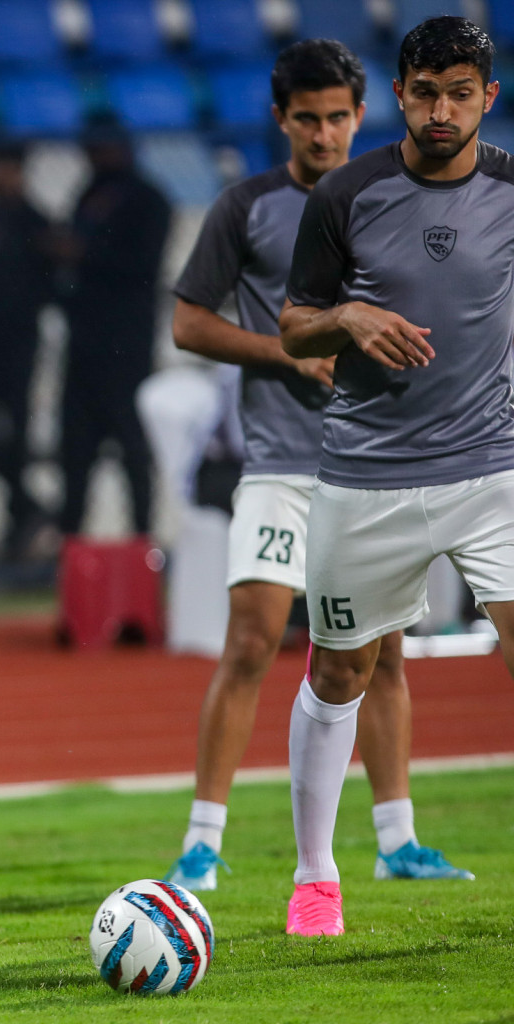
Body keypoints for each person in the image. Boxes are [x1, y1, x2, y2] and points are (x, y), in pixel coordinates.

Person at [164, 40, 470, 892]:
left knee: (384, 656)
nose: (325, 134)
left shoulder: (395, 202)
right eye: (308, 118)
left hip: (375, 465)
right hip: (281, 463)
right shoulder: (247, 207)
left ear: (361, 115)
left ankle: (398, 839)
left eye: (338, 117)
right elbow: (187, 324)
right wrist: (285, 352)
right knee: (253, 641)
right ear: (281, 120)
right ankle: (203, 841)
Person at [280, 16, 512, 935]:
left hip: (493, 471)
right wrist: (350, 319)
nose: (442, 109)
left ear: (487, 98)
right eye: (426, 92)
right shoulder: (346, 194)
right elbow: (296, 323)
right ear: (401, 94)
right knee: (340, 672)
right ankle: (315, 879)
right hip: (367, 476)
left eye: (461, 93)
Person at [57, 115, 170, 537]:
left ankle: (142, 539)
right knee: (75, 449)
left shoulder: (147, 200)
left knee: (132, 449)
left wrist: (84, 255)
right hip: (84, 343)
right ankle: (71, 546)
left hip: (126, 345)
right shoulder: (89, 193)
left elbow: (143, 267)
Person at [0, 140, 54, 560]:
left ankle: (20, 515)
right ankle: (25, 504)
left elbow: (48, 281)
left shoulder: (33, 221)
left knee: (14, 428)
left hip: (20, 336)